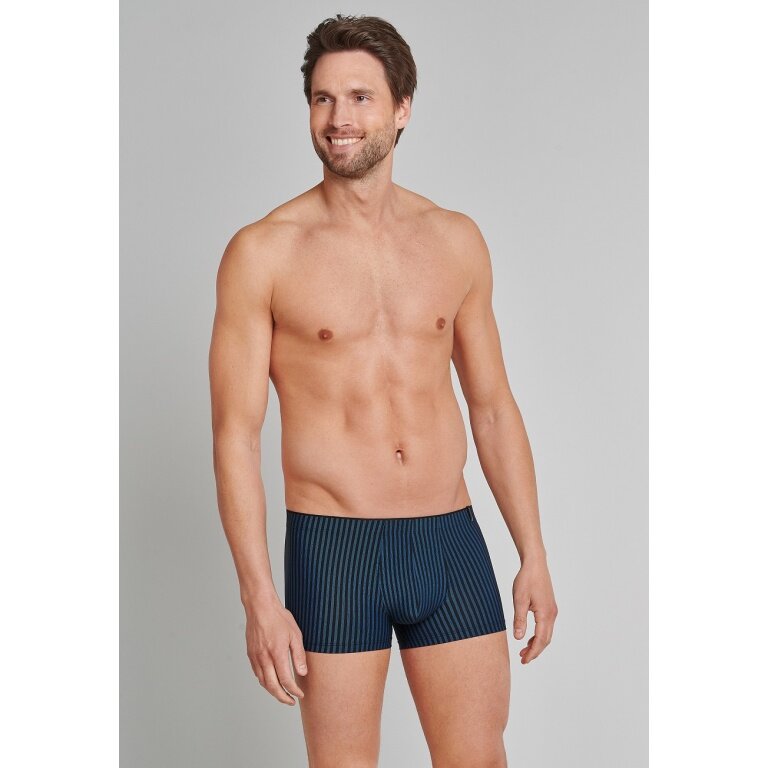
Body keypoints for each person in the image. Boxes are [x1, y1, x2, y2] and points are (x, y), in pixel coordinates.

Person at [208, 13, 558, 768]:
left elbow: (493, 408)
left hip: (448, 541)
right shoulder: (263, 254)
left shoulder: (455, 240)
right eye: (323, 98)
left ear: (402, 109)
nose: (339, 118)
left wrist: (532, 551)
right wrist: (258, 596)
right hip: (336, 548)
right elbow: (235, 433)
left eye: (361, 97)